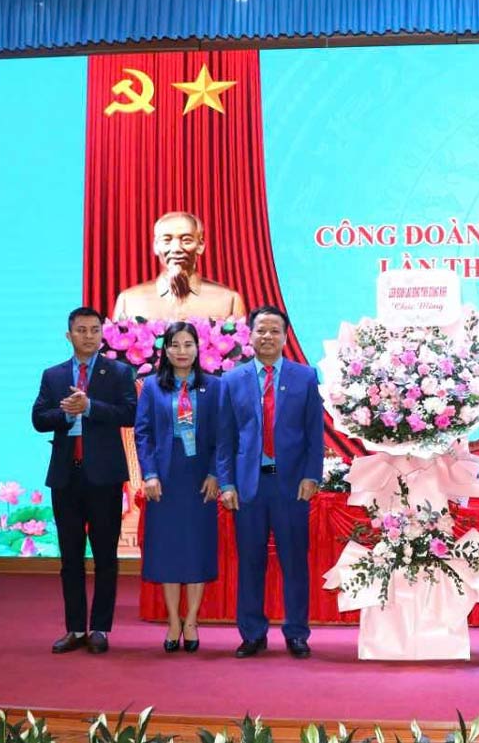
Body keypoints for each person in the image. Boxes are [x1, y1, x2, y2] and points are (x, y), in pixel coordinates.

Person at [217, 306, 323, 659]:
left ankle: (296, 633)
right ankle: (252, 633)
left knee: (294, 562)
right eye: (261, 330)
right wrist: (226, 483)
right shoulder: (232, 380)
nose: (267, 337)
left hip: (291, 486)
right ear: (250, 335)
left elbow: (314, 433)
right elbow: (225, 439)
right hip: (249, 486)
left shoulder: (304, 377)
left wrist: (312, 475)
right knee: (250, 562)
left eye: (274, 331)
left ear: (285, 336)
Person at [31, 307, 137, 654]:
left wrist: (90, 407)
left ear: (102, 334)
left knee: (105, 556)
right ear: (69, 335)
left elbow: (130, 413)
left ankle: (100, 629)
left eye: (94, 330)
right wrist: (66, 414)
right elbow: (39, 419)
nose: (88, 336)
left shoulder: (118, 372)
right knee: (71, 558)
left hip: (104, 478)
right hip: (66, 477)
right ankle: (75, 628)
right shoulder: (53, 375)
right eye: (81, 330)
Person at [134, 322, 222, 653]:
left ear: (198, 349)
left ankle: (192, 621)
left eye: (188, 344)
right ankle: (173, 620)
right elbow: (143, 433)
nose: (182, 351)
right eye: (175, 345)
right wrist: (149, 474)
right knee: (168, 551)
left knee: (196, 550)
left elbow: (223, 435)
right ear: (165, 350)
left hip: (200, 479)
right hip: (165, 479)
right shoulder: (152, 387)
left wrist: (215, 473)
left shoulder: (214, 386)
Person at [113, 211, 246, 321]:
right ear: (155, 246)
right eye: (167, 240)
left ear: (200, 246)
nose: (176, 248)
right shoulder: (128, 300)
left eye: (186, 240)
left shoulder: (229, 299)